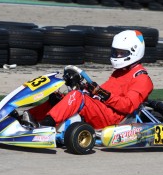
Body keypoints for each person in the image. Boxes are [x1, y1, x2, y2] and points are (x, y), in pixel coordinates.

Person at [22, 30, 154, 130]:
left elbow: (128, 106)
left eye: (120, 53)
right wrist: (84, 87)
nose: (116, 56)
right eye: (115, 52)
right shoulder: (120, 72)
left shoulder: (142, 78)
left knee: (78, 97)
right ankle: (27, 118)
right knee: (59, 98)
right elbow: (102, 94)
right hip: (103, 109)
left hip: (114, 118)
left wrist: (101, 93)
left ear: (133, 52)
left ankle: (44, 126)